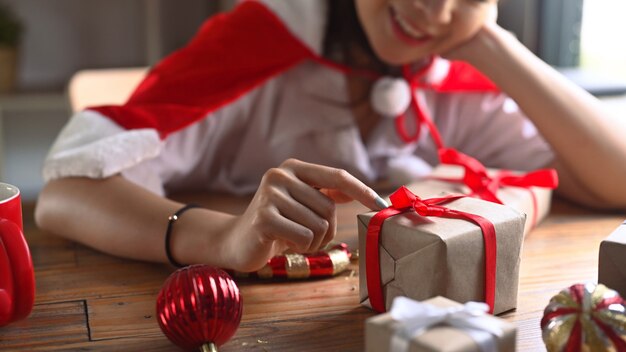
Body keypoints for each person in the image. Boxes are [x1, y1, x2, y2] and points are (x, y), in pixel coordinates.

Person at [35, 0, 626, 272]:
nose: (432, 10)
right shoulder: (259, 45)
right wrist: (222, 239)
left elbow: (614, 178)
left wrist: (487, 38)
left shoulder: (448, 64)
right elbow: (67, 189)